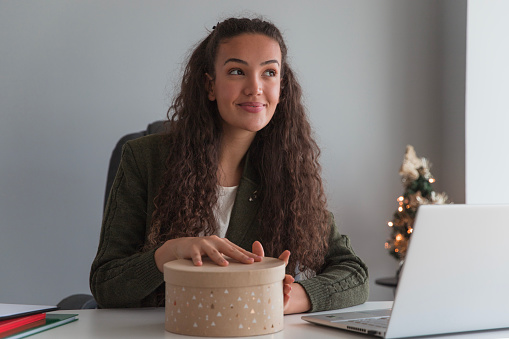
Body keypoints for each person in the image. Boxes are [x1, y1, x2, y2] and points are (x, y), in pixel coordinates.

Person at [90, 17, 369, 314]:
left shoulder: (290, 170)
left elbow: (354, 273)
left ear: (282, 88)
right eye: (237, 71)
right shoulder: (144, 158)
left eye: (269, 73)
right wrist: (167, 254)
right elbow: (106, 284)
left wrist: (292, 297)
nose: (255, 88)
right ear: (210, 84)